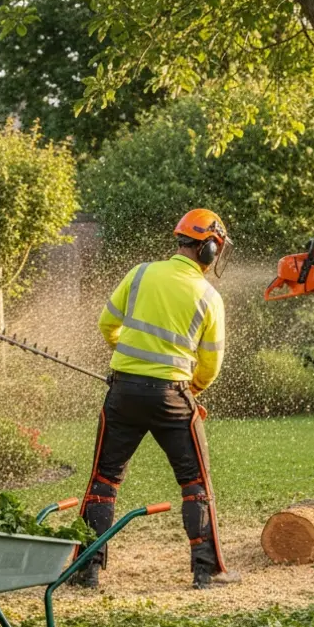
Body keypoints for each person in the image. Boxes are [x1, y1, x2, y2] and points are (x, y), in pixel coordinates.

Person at [76, 208, 240, 590]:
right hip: (173, 399)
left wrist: (130, 360)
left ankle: (87, 569)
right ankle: (205, 572)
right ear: (210, 250)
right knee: (195, 483)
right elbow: (210, 364)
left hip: (123, 393)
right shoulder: (208, 296)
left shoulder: (140, 274)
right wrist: (192, 390)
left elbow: (107, 324)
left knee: (104, 478)